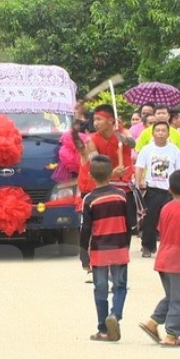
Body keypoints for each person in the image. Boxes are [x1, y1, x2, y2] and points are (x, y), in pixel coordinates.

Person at [139, 170, 180, 348]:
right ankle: (172, 334)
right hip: (177, 259)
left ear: (169, 189)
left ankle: (153, 322)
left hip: (163, 256)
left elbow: (166, 230)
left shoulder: (166, 207)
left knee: (171, 296)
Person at [76, 105, 135, 274]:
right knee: (98, 226)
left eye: (99, 119)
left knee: (126, 226)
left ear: (111, 120)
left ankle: (121, 260)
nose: (95, 123)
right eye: (94, 120)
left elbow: (132, 142)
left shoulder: (123, 132)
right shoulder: (91, 140)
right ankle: (95, 262)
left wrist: (124, 139)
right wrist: (111, 173)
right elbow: (96, 164)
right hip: (102, 186)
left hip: (123, 188)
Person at [80, 155, 130, 342]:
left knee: (100, 288)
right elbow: (129, 223)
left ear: (91, 176)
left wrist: (84, 256)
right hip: (119, 247)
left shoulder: (89, 199)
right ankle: (115, 315)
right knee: (120, 286)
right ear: (111, 174)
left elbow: (85, 229)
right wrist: (126, 246)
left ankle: (102, 329)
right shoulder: (121, 195)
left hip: (99, 249)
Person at [134, 121, 180, 257]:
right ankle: (147, 246)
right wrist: (138, 184)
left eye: (164, 131)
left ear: (168, 133)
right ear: (153, 133)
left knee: (170, 221)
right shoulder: (147, 149)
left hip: (169, 191)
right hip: (153, 190)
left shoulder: (174, 150)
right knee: (150, 219)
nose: (161, 133)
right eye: (158, 131)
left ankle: (170, 247)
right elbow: (139, 166)